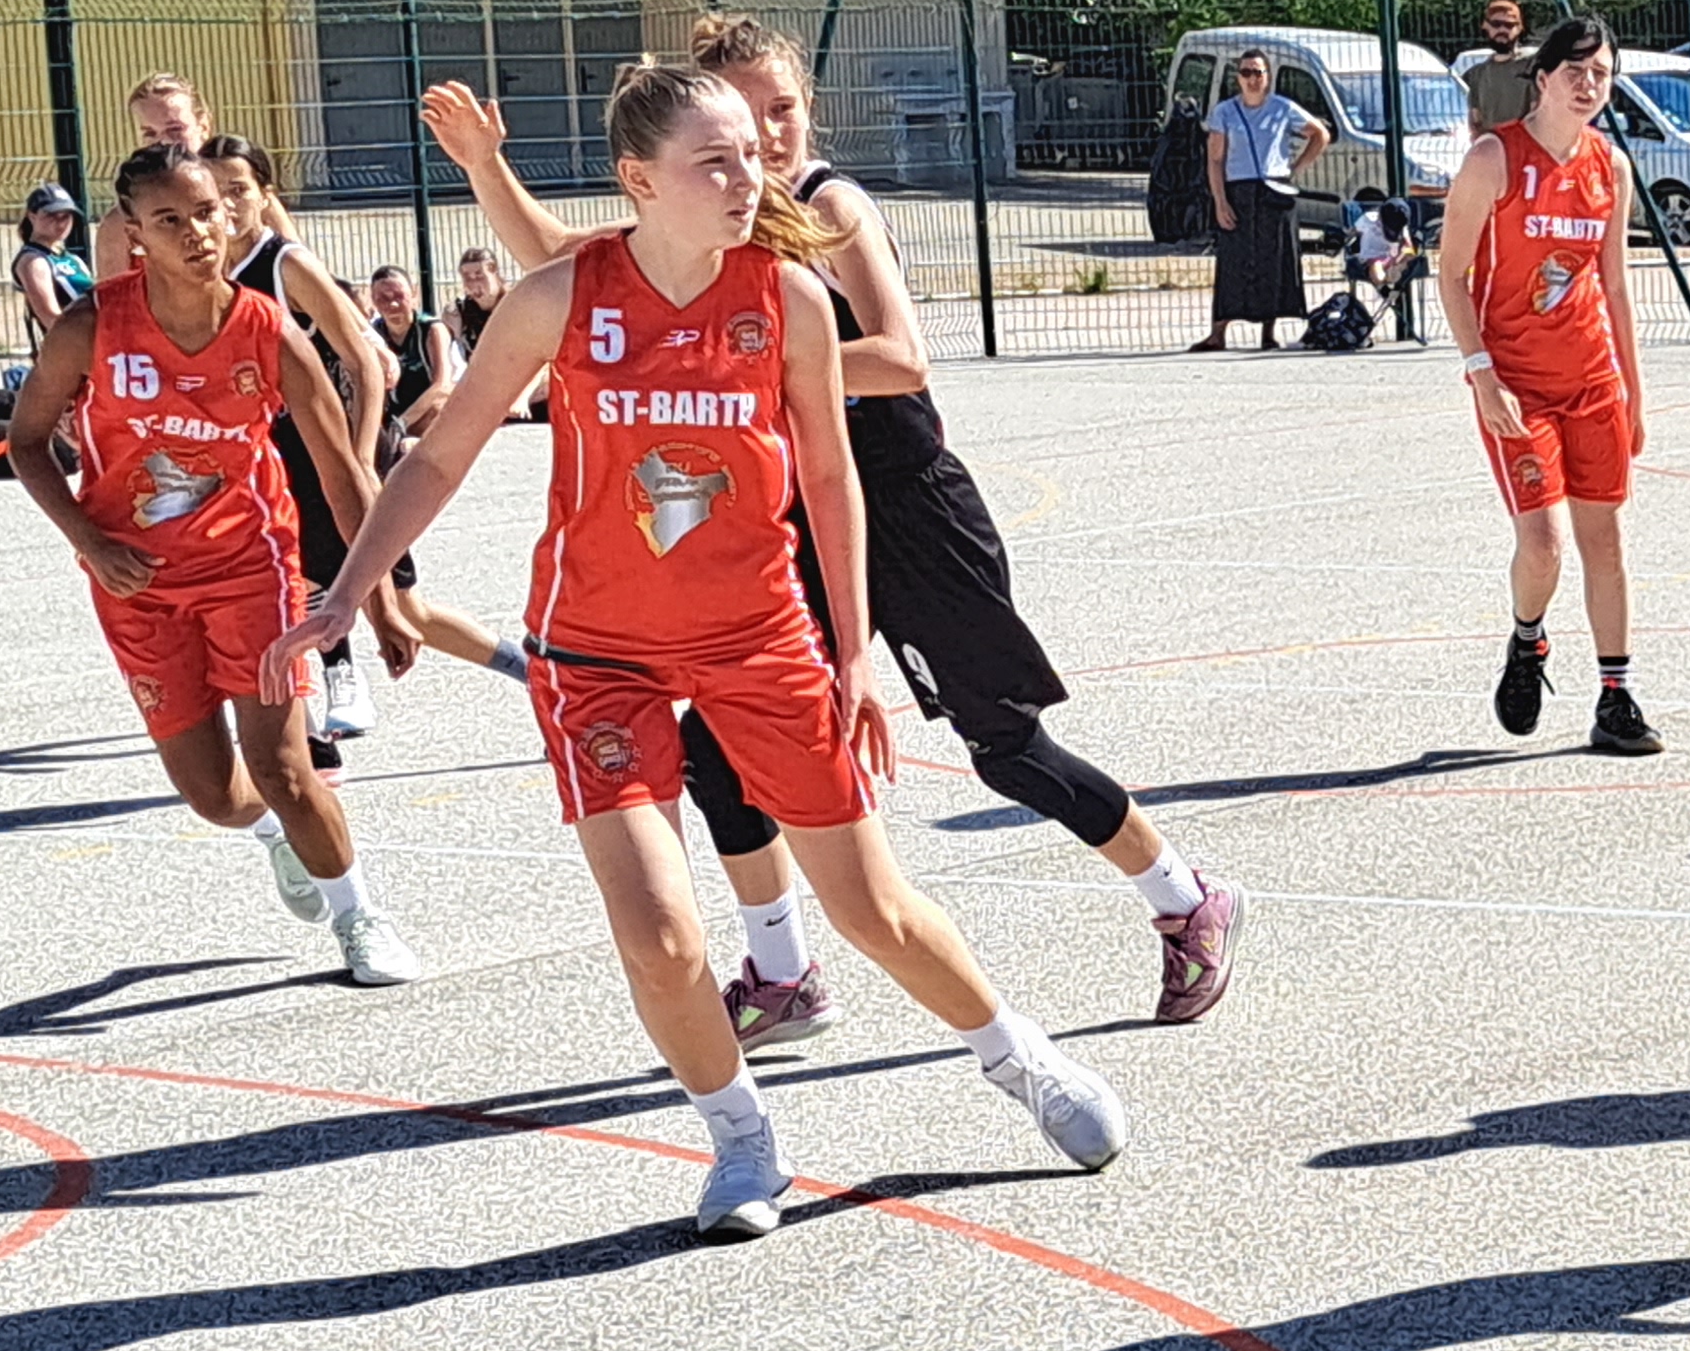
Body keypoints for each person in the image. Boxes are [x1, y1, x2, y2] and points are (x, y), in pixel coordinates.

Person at [287, 63, 1131, 1238]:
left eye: (751, 155)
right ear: (640, 180)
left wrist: (851, 655)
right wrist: (349, 588)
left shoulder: (786, 298)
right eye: (716, 161)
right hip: (597, 654)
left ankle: (1018, 1057)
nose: (748, 179)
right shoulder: (560, 298)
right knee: (659, 934)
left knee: (870, 908)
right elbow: (440, 453)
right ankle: (741, 1140)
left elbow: (829, 478)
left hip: (759, 637)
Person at [425, 18, 1245, 1037]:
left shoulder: (827, 207)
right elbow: (563, 262)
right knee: (717, 748)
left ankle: (1184, 897)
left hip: (905, 503)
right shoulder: (703, 223)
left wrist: (743, 372)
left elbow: (903, 356)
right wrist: (486, 166)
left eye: (781, 109)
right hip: (791, 510)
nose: (765, 134)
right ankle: (784, 973)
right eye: (742, 116)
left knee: (1003, 746)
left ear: (807, 109)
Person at [4, 145, 425, 986]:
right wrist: (91, 541)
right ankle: (276, 835)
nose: (198, 232)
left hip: (250, 566)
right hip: (136, 582)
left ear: (232, 215)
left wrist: (376, 597)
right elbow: (25, 442)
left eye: (207, 213)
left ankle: (360, 918)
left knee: (284, 766)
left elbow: (341, 471)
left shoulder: (266, 330)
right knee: (214, 795)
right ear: (134, 235)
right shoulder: (94, 325)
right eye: (171, 220)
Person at [197, 136, 526, 748]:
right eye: (216, 194)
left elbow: (364, 360)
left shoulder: (285, 264)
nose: (228, 204)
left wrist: (359, 451)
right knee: (278, 588)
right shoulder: (201, 271)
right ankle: (314, 714)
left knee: (401, 608)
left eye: (239, 190)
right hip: (258, 457)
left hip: (326, 447)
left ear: (266, 196)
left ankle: (530, 671)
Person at [1438, 15, 1661, 756]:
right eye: (1576, 70)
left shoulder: (1610, 166)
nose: (1589, 84)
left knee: (1606, 541)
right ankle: (1527, 639)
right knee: (1542, 544)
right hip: (1517, 384)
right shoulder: (1494, 158)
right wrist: (1482, 374)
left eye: (1602, 73)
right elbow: (1452, 274)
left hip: (1591, 379)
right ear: (1543, 77)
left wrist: (1633, 390)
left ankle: (1616, 696)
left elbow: (1615, 285)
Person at [93, 75, 288, 283]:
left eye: (175, 129)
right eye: (149, 133)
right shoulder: (122, 223)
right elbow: (111, 298)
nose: (163, 142)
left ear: (203, 126)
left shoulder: (247, 197)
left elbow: (297, 265)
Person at [1195, 52, 1326, 351]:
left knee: (1273, 260)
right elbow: (1215, 160)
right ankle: (1218, 332)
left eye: (1258, 72)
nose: (1252, 79)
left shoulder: (1283, 108)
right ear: (1238, 77)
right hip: (1238, 191)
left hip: (1274, 189)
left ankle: (1269, 332)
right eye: (1246, 72)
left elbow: (1320, 135)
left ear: (1268, 76)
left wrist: (1295, 169)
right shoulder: (1225, 112)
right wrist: (1220, 201)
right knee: (1233, 261)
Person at [367, 262, 466, 441]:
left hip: (428, 410)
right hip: (396, 413)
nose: (393, 304)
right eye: (383, 298)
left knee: (439, 407)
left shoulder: (433, 330)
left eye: (399, 296)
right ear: (373, 301)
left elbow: (442, 385)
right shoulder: (374, 334)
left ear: (414, 294)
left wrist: (403, 423)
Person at [449, 245, 545, 424]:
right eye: (467, 277)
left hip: (529, 389)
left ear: (493, 270)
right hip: (490, 391)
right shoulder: (458, 314)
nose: (474, 284)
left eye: (479, 275)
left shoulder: (517, 305)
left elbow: (542, 359)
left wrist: (522, 398)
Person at [9, 185, 90, 378]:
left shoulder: (73, 259)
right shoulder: (33, 260)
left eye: (66, 216)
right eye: (51, 215)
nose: (60, 223)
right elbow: (51, 317)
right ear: (32, 216)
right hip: (72, 353)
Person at [1463, 0, 1542, 131]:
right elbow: (1475, 121)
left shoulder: (1532, 68)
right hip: (1491, 142)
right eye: (1496, 24)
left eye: (1509, 25)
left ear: (1519, 28)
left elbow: (1537, 116)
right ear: (1485, 25)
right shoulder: (1477, 75)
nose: (1502, 30)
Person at [1343, 183, 1417, 322]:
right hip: (1372, 256)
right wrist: (1350, 240)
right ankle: (1385, 286)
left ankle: (1394, 277)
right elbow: (1353, 233)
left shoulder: (1402, 225)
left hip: (1392, 257)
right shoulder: (1368, 219)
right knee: (1376, 267)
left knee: (1408, 257)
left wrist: (1402, 257)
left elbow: (1408, 246)